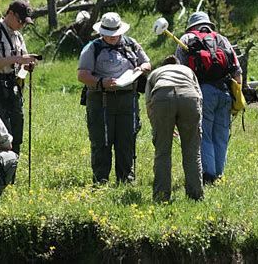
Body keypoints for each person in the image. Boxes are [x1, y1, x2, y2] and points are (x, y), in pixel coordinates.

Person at [77, 12, 151, 184]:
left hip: (128, 100)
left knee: (127, 140)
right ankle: (100, 180)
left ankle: (126, 180)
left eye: (115, 34)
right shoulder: (92, 48)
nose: (111, 38)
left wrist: (140, 69)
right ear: (102, 32)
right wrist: (101, 82)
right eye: (108, 34)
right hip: (100, 100)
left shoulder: (131, 44)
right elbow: (82, 75)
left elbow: (147, 63)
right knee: (101, 141)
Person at [175, 11, 242, 184]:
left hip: (203, 92)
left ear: (191, 26)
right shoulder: (222, 39)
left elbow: (180, 71)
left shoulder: (186, 40)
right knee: (221, 135)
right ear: (208, 25)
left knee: (204, 135)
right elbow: (237, 70)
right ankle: (219, 174)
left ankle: (209, 175)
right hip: (225, 92)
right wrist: (237, 96)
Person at [0, 0, 38, 155]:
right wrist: (18, 59)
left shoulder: (18, 36)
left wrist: (27, 64)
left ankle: (12, 170)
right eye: (20, 21)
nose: (22, 25)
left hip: (14, 87)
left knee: (17, 129)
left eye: (25, 23)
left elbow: (21, 60)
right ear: (10, 13)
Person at [146, 55, 203, 202]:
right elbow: (199, 97)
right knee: (192, 152)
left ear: (163, 65)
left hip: (162, 96)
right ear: (178, 64)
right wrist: (197, 127)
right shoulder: (187, 70)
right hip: (189, 97)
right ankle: (195, 196)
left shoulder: (155, 73)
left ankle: (161, 197)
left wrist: (159, 128)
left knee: (162, 152)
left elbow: (149, 104)